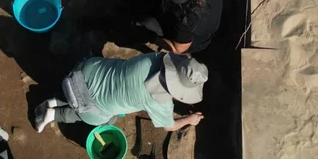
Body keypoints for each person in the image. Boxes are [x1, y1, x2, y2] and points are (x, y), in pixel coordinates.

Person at [31, 50, 206, 133]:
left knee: (100, 90)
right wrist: (190, 120)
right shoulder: (161, 102)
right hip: (87, 102)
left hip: (86, 67)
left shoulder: (157, 57)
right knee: (110, 118)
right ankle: (53, 115)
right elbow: (170, 126)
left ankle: (55, 100)